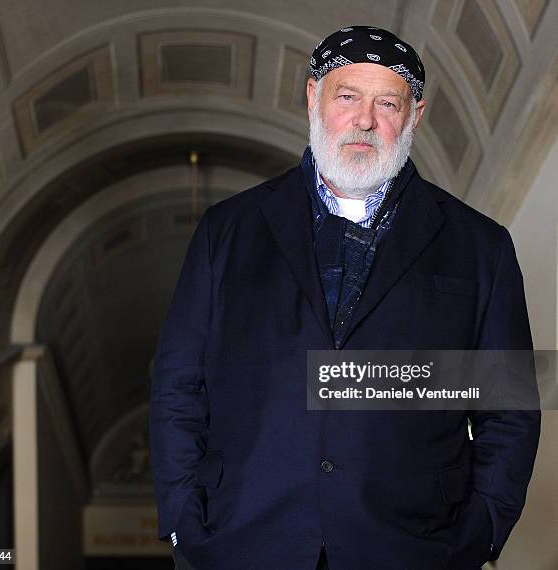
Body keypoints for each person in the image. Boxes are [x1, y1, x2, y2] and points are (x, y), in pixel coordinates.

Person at [150, 25, 540, 570]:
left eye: (387, 102)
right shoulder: (227, 231)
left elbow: (510, 414)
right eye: (348, 96)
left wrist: (479, 536)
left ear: (415, 116)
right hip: (243, 544)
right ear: (314, 97)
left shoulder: (481, 247)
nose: (365, 120)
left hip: (413, 549)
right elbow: (177, 390)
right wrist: (183, 529)